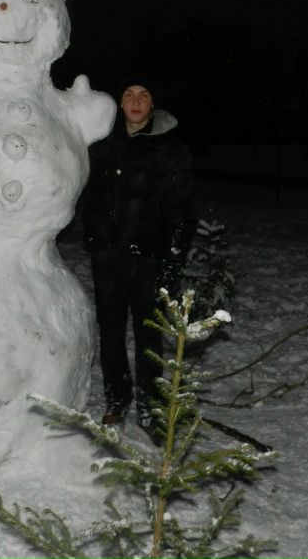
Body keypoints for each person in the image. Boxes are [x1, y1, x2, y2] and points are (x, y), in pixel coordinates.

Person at [82, 75, 196, 435]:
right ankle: (117, 398)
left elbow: (181, 208)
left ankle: (151, 403)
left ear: (152, 105)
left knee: (149, 334)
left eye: (143, 95)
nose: (135, 101)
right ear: (119, 102)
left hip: (149, 258)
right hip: (108, 256)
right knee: (111, 331)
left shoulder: (171, 149)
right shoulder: (101, 144)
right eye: (128, 94)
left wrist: (173, 260)